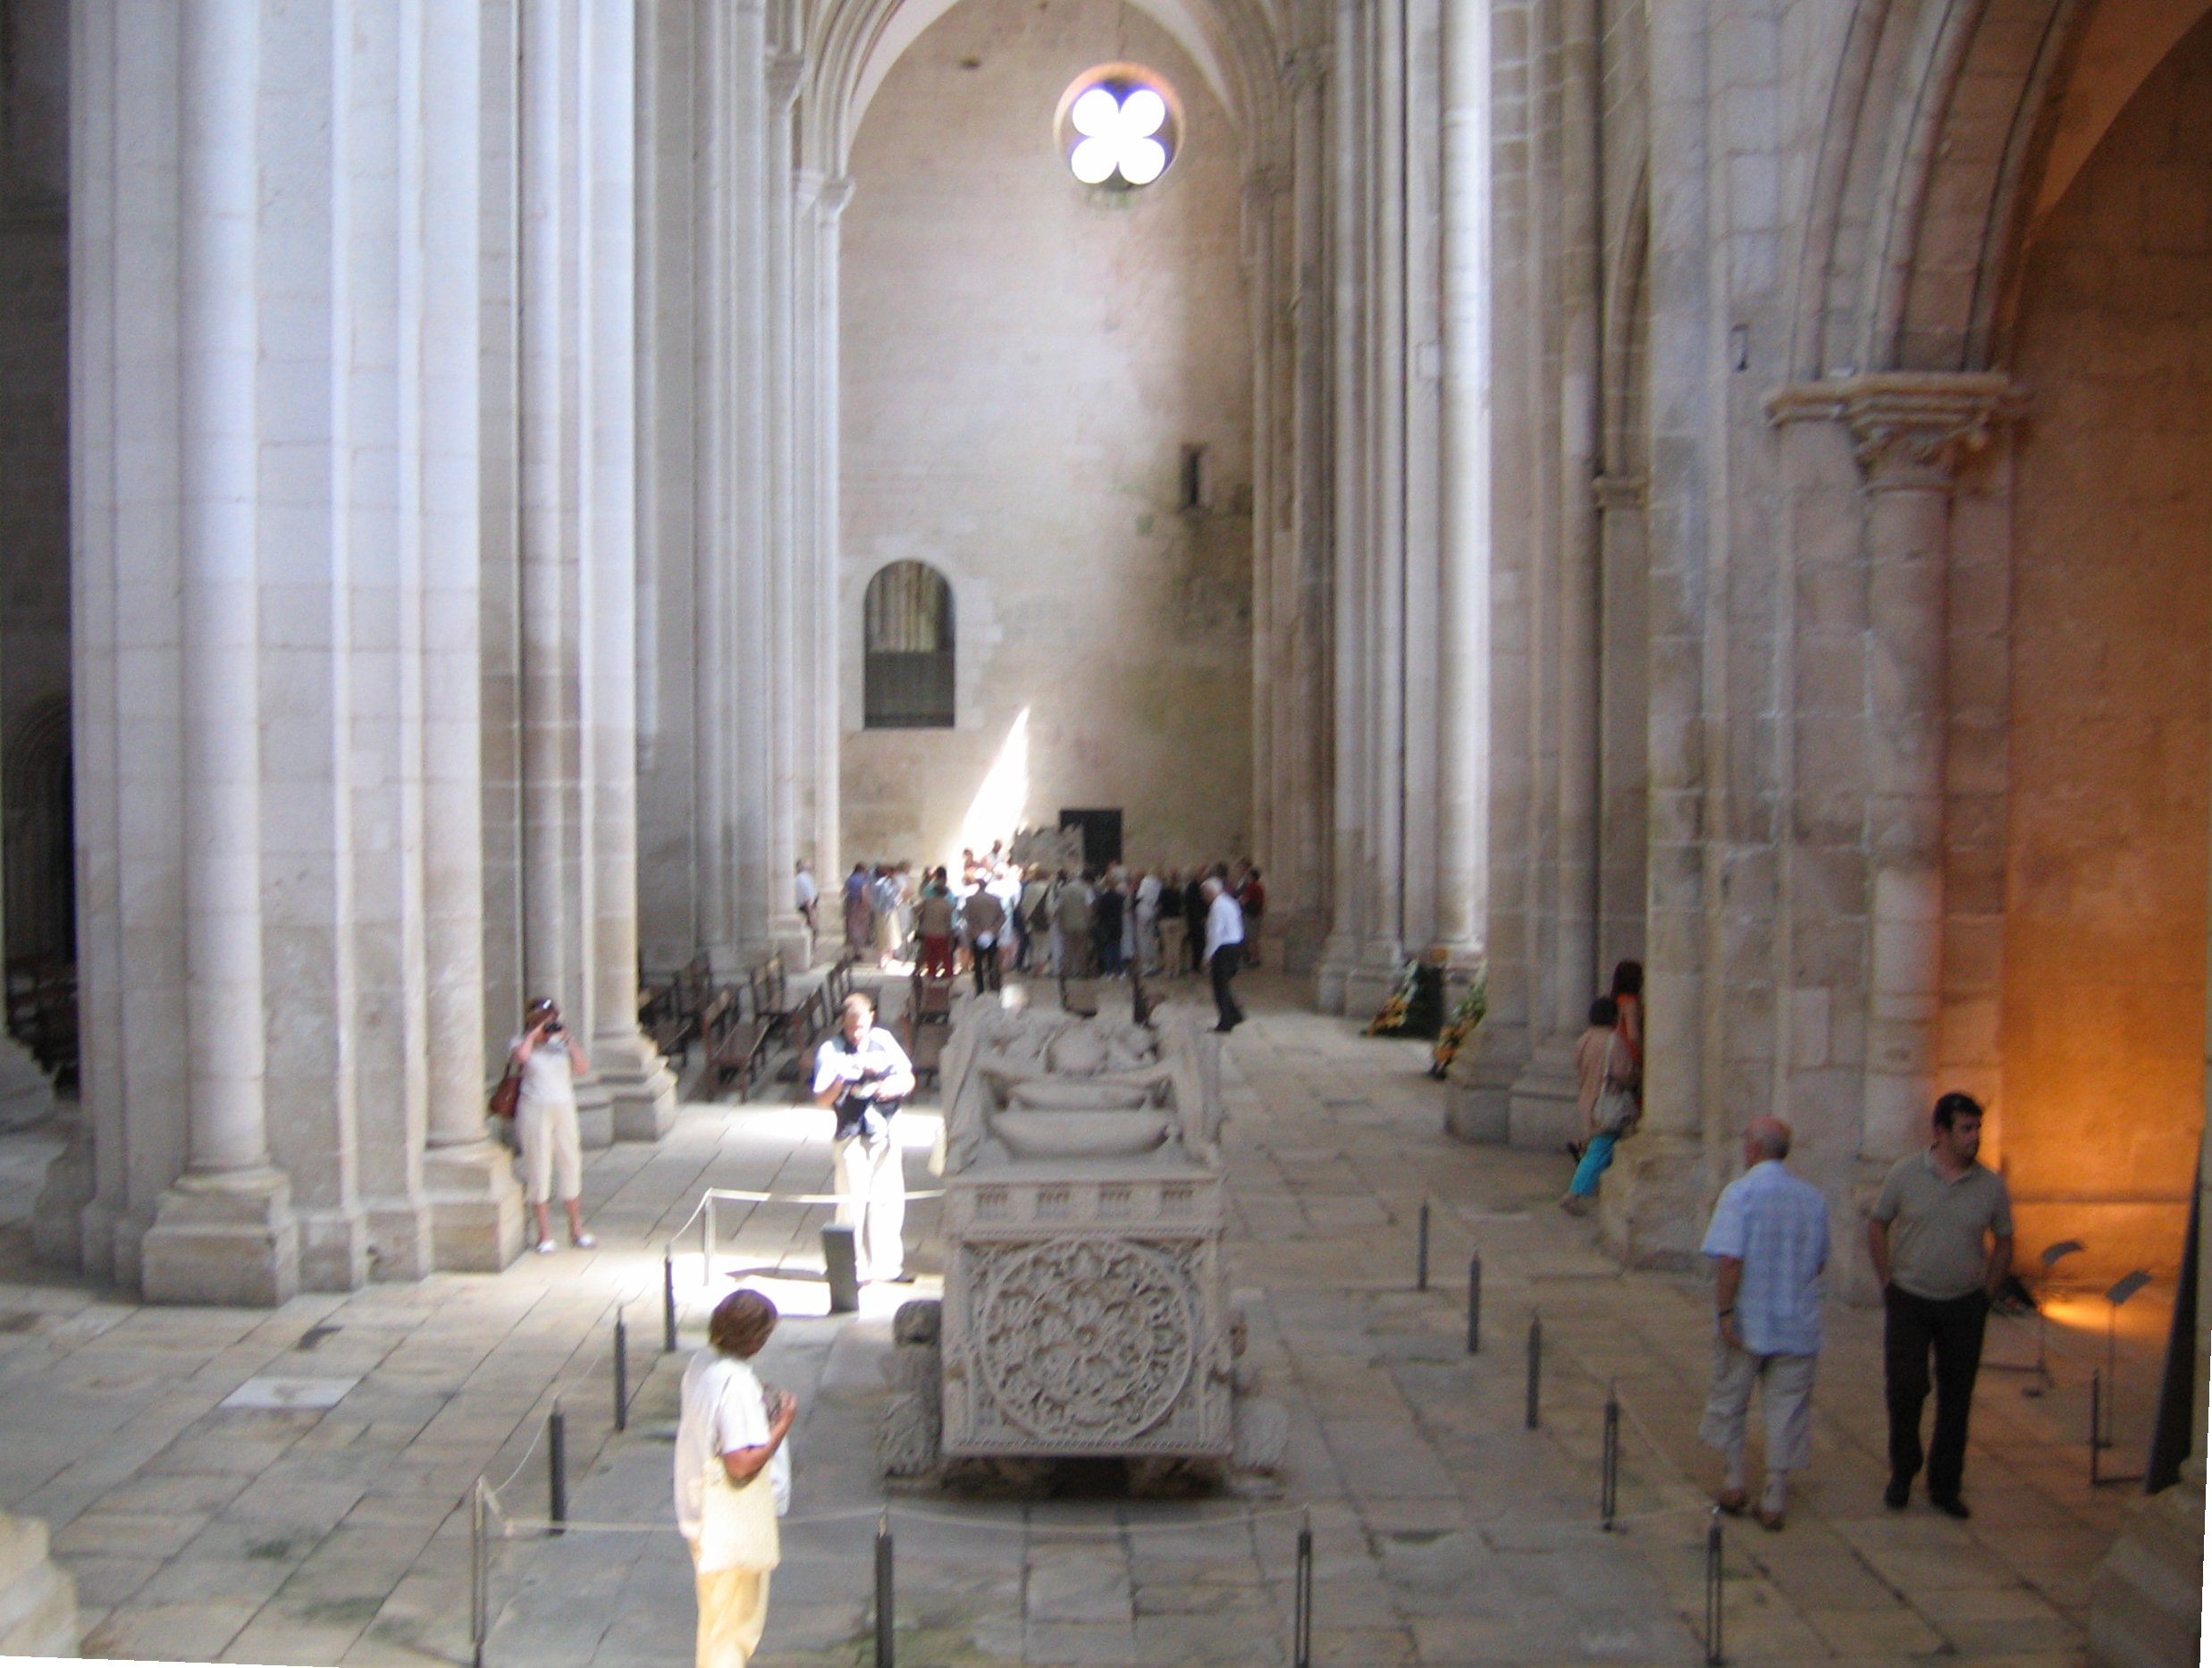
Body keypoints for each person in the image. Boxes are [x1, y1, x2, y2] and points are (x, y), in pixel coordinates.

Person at [1868, 1091, 2014, 1519]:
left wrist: (1988, 1291)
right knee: (1906, 1388)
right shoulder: (1906, 1174)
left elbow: (2005, 1240)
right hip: (1910, 1299)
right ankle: (1903, 1468)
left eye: (1977, 1128)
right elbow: (1878, 1224)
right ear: (1941, 1132)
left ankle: (1945, 1484)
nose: (1974, 1137)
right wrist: (1887, 1283)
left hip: (1963, 1303)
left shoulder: (1989, 1186)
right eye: (1966, 1129)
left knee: (1957, 1397)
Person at [1698, 1117, 1829, 1530]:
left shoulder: (1740, 1194)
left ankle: (1734, 1479)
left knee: (1732, 1396)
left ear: (1752, 1149)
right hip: (1795, 1320)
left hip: (1748, 1319)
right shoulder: (1813, 1199)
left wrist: (1723, 1312)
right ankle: (1774, 1493)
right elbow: (1821, 1259)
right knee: (1787, 1407)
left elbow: (1729, 1259)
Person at [676, 1290, 795, 1668]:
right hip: (730, 1521)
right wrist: (782, 1424)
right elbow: (741, 1463)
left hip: (701, 1513)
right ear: (756, 1338)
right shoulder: (735, 1383)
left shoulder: (702, 1363)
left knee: (715, 1622)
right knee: (733, 1631)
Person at [811, 993, 916, 1283]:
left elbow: (908, 1078)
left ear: (871, 1016)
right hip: (852, 1135)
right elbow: (821, 1098)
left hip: (886, 1129)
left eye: (861, 1027)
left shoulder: (883, 1039)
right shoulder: (831, 1050)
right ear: (842, 1023)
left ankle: (887, 1265)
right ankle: (848, 1268)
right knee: (851, 1204)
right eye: (850, 1028)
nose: (856, 1034)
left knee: (888, 1201)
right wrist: (844, 1078)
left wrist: (896, 1086)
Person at [509, 997, 595, 1254]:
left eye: (552, 1019)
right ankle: (544, 1233)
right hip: (534, 1107)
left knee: (570, 1163)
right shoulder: (520, 1041)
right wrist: (535, 1035)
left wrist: (568, 1041)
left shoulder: (560, 1044)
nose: (550, 1024)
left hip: (563, 1107)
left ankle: (576, 1228)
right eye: (544, 1020)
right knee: (539, 1167)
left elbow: (582, 1068)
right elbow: (522, 1057)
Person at [1560, 997, 1636, 1215]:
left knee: (1600, 1145)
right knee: (1599, 1149)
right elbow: (1623, 1072)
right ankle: (1573, 1194)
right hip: (1607, 1102)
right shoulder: (1613, 1040)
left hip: (1588, 1097)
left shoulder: (1584, 1039)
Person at [1202, 874, 1246, 1032]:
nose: (1204, 897)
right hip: (1235, 945)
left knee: (1219, 986)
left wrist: (1207, 956)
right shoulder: (1230, 902)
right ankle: (1235, 1014)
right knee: (1224, 984)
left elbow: (1216, 933)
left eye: (1205, 893)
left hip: (1224, 948)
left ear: (1211, 892)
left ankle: (1226, 1022)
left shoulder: (1217, 906)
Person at [961, 882, 1006, 993]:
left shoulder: (970, 900)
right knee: (993, 961)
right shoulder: (995, 899)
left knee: (978, 963)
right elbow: (1002, 917)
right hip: (992, 935)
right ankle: (993, 985)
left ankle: (980, 988)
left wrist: (977, 931)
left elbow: (966, 917)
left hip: (976, 936)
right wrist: (993, 930)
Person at [913, 869, 955, 979]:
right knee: (945, 956)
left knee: (930, 955)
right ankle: (948, 974)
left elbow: (915, 910)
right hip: (942, 933)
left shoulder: (927, 901)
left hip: (928, 931)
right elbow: (949, 920)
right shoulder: (947, 905)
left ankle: (931, 973)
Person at [1094, 872, 1126, 975]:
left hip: (1106, 924)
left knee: (1107, 947)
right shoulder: (1120, 897)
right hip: (1117, 923)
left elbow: (1100, 912)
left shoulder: (1103, 897)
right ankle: (1120, 969)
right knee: (1117, 947)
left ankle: (1109, 970)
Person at [1237, 866, 1267, 968]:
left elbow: (1245, 899)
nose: (1246, 877)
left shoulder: (1252, 887)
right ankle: (1256, 957)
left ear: (1252, 877)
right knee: (1254, 937)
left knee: (1251, 938)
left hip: (1251, 915)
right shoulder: (1259, 886)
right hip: (1257, 914)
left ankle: (1254, 958)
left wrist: (1239, 900)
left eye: (1248, 875)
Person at [842, 863, 873, 957]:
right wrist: (867, 905)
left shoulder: (849, 879)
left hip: (850, 904)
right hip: (860, 905)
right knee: (860, 927)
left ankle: (852, 948)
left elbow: (843, 892)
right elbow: (864, 894)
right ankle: (858, 951)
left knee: (851, 926)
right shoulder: (863, 880)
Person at [1182, 870, 1208, 975]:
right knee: (1197, 943)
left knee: (1200, 943)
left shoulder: (1199, 886)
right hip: (1196, 921)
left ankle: (1199, 965)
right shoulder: (1193, 887)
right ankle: (1196, 966)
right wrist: (1201, 918)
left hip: (1199, 919)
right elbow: (1193, 905)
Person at [793, 860, 818, 944]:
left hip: (801, 906)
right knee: (811, 928)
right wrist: (811, 913)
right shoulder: (805, 879)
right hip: (806, 906)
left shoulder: (797, 878)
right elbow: (808, 896)